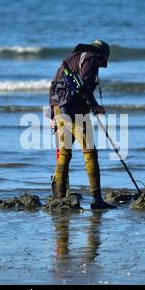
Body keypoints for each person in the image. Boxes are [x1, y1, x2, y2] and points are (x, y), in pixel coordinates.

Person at [49, 39, 116, 209]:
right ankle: (97, 200)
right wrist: (96, 106)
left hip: (59, 107)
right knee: (90, 152)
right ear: (103, 55)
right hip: (74, 110)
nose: (101, 65)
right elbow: (83, 87)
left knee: (64, 153)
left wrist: (52, 114)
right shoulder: (92, 58)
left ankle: (59, 197)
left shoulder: (71, 58)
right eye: (104, 61)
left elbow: (53, 85)